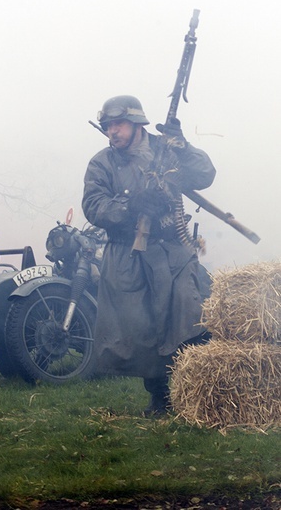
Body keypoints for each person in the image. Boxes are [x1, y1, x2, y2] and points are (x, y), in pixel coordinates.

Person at [82, 95, 216, 415]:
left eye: (120, 124)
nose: (113, 132)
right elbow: (94, 206)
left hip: (172, 250)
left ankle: (199, 391)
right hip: (129, 255)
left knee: (189, 316)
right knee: (144, 331)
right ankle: (160, 397)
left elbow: (205, 175)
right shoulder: (102, 163)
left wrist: (183, 145)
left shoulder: (166, 149)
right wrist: (131, 206)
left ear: (138, 123)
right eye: (108, 126)